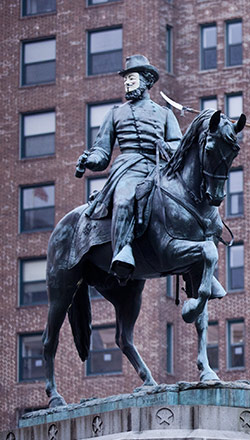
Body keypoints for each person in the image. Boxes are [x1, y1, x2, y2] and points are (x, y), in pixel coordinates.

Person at [78, 55, 182, 280]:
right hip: (129, 167)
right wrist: (89, 160)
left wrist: (167, 146)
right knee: (124, 199)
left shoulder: (165, 114)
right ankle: (122, 251)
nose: (127, 83)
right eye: (125, 79)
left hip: (159, 169)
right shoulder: (115, 113)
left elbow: (178, 146)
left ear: (146, 81)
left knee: (186, 201)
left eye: (131, 78)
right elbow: (102, 153)